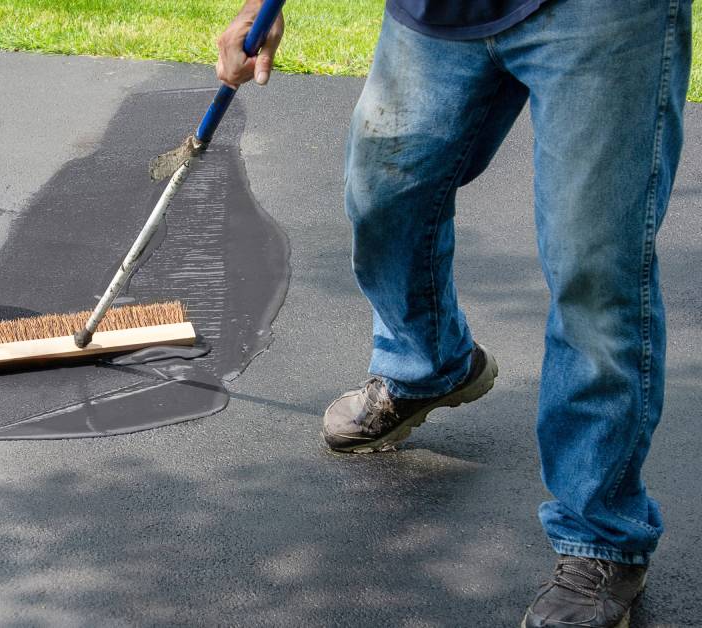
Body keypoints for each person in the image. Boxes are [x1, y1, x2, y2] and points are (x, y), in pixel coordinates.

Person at [215, 0, 691, 626]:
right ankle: (428, 365)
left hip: (599, 17)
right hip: (439, 12)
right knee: (386, 199)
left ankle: (601, 535)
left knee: (595, 266)